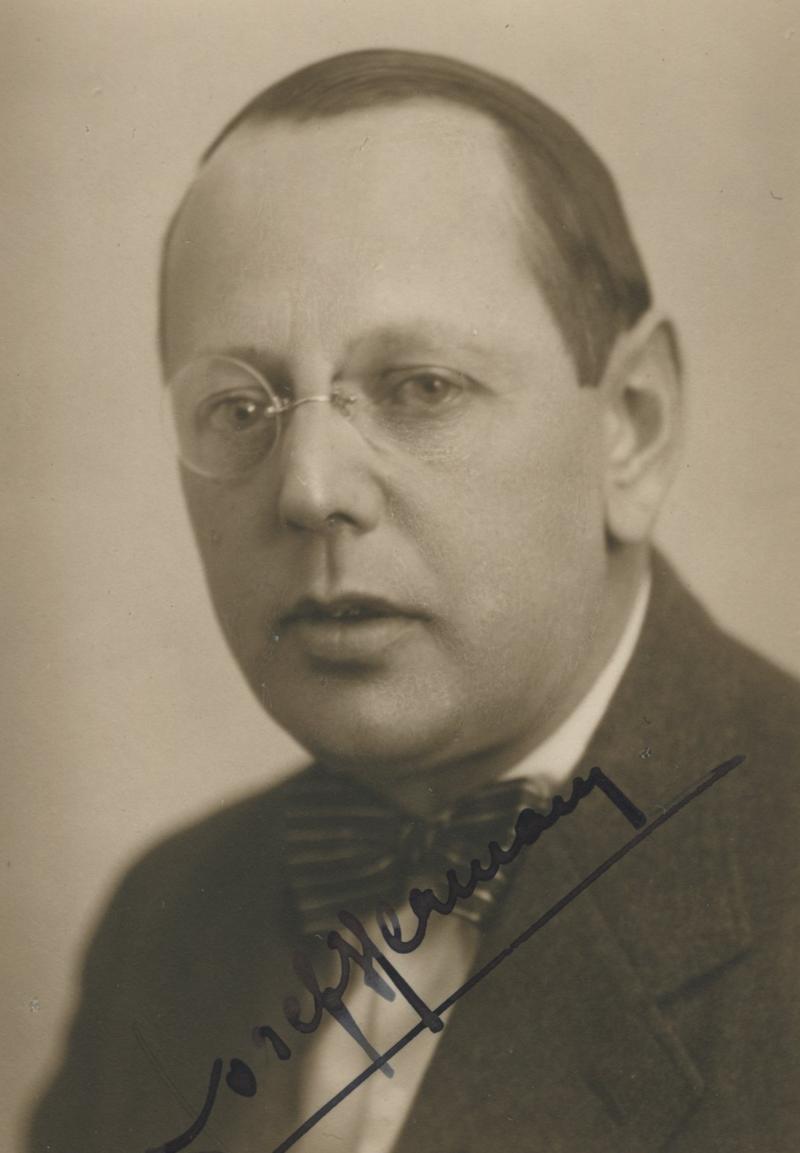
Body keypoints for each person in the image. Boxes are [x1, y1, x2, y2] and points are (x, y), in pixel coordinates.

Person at [27, 49, 799, 1153]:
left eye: (420, 388)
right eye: (239, 409)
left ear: (631, 425)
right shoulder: (166, 922)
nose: (309, 489)